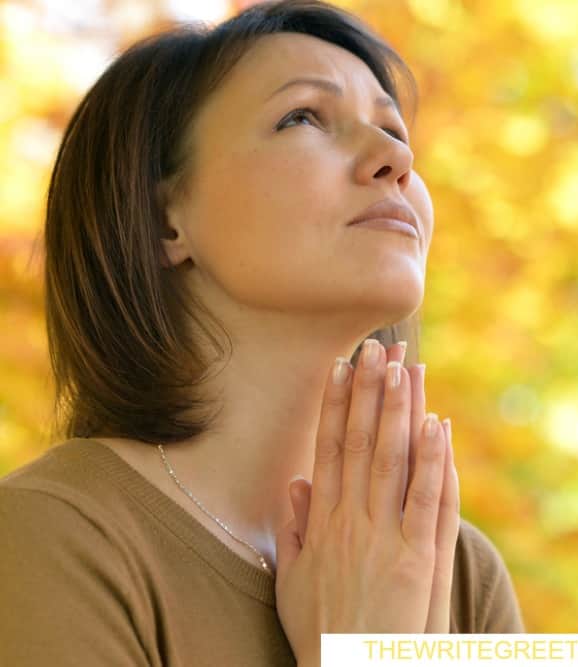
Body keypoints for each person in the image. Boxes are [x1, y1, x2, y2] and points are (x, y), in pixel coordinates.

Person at [0, 1, 525, 664]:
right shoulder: (52, 536)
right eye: (303, 116)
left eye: (394, 130)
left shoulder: (455, 568)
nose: (395, 157)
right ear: (166, 222)